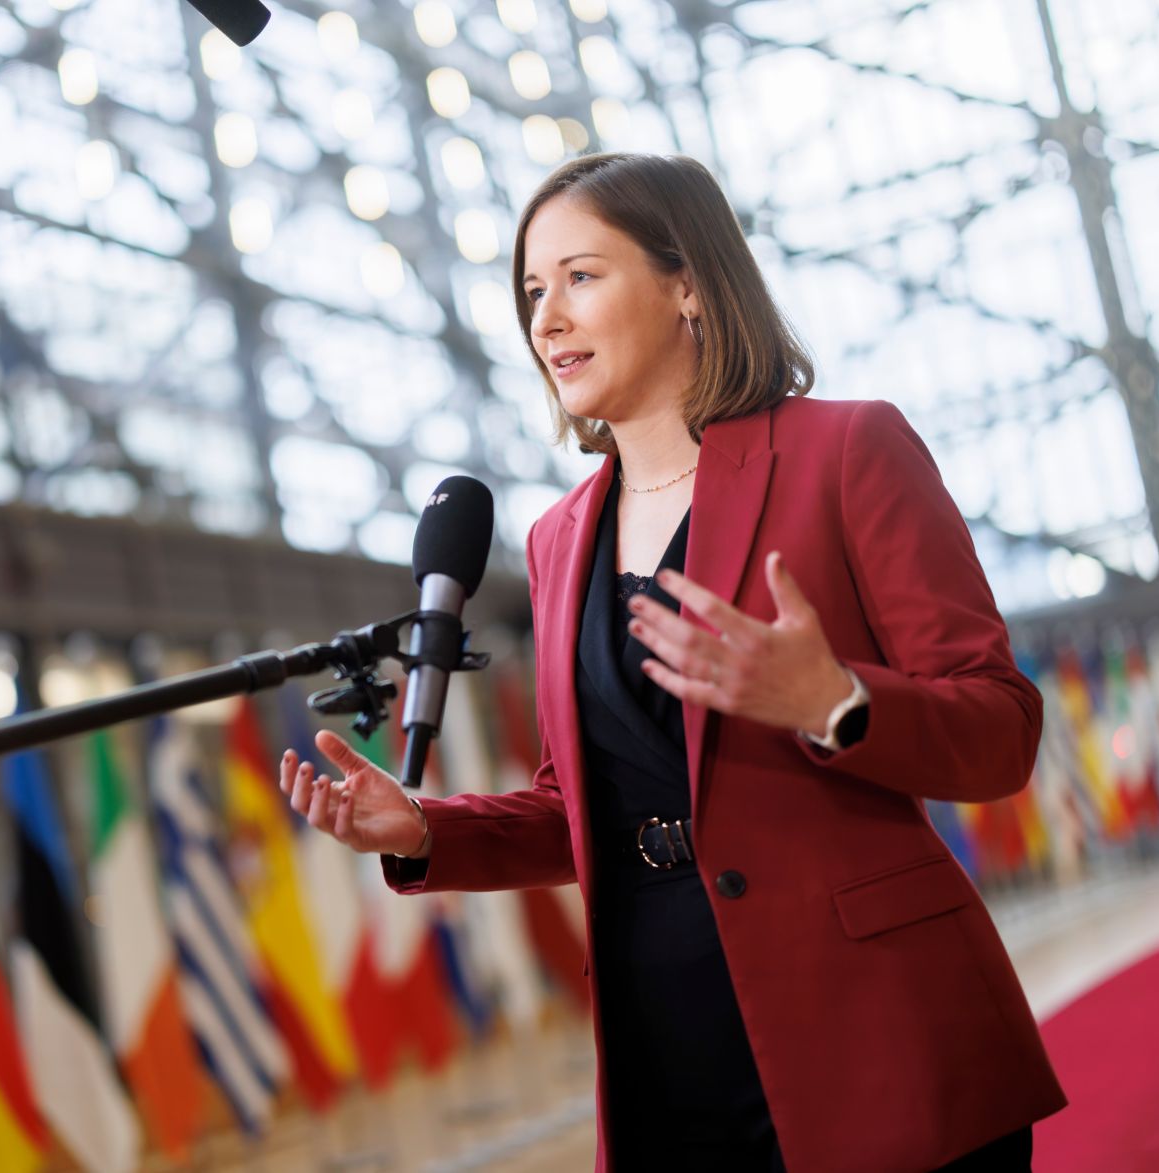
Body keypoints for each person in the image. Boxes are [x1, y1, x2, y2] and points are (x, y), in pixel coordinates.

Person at [277, 153, 1066, 1172]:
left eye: (580, 276)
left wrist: (832, 702)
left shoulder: (846, 452)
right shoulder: (558, 538)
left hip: (872, 1029)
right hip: (666, 1042)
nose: (545, 318)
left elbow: (999, 730)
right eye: (530, 290)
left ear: (686, 282)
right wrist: (427, 828)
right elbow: (585, 804)